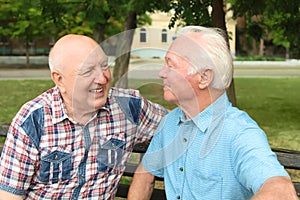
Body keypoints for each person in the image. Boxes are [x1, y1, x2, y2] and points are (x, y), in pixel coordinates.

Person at [128, 26, 298, 200]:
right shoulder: (169, 122)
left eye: (171, 66)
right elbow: (145, 173)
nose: (161, 73)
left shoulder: (239, 132)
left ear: (204, 78)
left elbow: (281, 192)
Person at [0, 34, 167, 199]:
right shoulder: (33, 120)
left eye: (104, 66)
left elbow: (180, 123)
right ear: (59, 79)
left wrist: (145, 175)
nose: (102, 79)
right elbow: (9, 196)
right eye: (88, 71)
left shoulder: (130, 108)